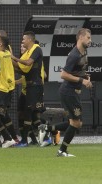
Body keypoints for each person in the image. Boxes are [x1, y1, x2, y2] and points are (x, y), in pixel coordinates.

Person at [40, 28, 92, 157]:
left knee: (76, 123)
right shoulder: (74, 54)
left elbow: (77, 70)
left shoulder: (84, 51)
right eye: (88, 38)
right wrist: (82, 80)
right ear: (80, 37)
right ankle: (62, 150)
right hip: (68, 92)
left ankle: (47, 128)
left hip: (73, 92)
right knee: (76, 123)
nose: (90, 40)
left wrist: (85, 76)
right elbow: (63, 74)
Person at [11, 31, 45, 147]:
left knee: (29, 113)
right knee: (30, 114)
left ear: (30, 40)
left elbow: (28, 63)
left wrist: (14, 58)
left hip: (36, 86)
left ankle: (25, 141)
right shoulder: (27, 53)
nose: (22, 41)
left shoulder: (36, 48)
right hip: (30, 87)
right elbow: (22, 69)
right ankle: (43, 139)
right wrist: (9, 60)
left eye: (23, 39)